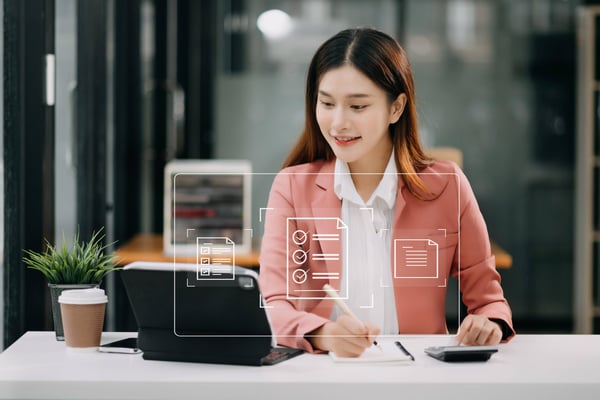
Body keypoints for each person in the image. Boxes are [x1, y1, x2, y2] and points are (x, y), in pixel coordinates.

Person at [258, 27, 514, 358]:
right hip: (322, 374)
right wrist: (325, 334)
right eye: (327, 103)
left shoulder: (447, 186)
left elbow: (489, 299)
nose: (338, 123)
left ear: (396, 108)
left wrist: (487, 323)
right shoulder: (292, 187)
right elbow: (274, 303)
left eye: (358, 106)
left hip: (419, 374)